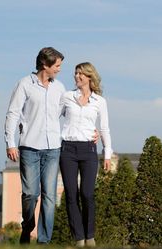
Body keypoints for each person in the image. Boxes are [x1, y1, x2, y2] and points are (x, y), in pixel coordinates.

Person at [4, 47, 65, 244]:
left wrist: (90, 130)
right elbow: (13, 113)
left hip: (53, 148)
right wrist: (10, 143)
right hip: (30, 147)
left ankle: (44, 240)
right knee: (30, 194)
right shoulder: (24, 85)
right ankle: (27, 227)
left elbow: (69, 113)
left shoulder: (59, 88)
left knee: (49, 196)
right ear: (45, 65)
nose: (59, 69)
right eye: (56, 65)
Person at [59, 62, 112, 247]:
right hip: (67, 150)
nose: (77, 76)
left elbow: (104, 128)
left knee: (87, 193)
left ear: (90, 77)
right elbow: (52, 117)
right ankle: (79, 238)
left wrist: (107, 153)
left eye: (81, 73)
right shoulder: (66, 97)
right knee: (71, 195)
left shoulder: (100, 101)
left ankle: (90, 236)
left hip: (89, 150)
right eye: (75, 73)